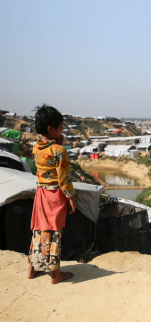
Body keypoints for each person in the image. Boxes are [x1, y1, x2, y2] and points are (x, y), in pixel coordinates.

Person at [28, 104, 76, 284]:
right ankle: (56, 275)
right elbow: (64, 178)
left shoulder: (35, 148)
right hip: (55, 196)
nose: (63, 129)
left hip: (40, 193)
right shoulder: (59, 151)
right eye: (61, 126)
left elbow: (48, 159)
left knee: (39, 230)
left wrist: (57, 142)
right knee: (54, 232)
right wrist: (71, 198)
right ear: (51, 128)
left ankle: (32, 269)